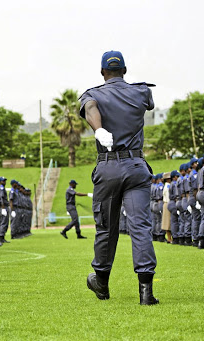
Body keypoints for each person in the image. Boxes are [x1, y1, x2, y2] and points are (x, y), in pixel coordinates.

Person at [80, 50, 158, 305]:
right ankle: (146, 292)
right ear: (124, 70)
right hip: (136, 166)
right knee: (141, 227)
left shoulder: (92, 94)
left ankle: (101, 281)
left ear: (102, 72)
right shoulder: (141, 91)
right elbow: (149, 103)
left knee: (106, 227)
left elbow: (90, 107)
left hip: (108, 166)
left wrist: (99, 128)